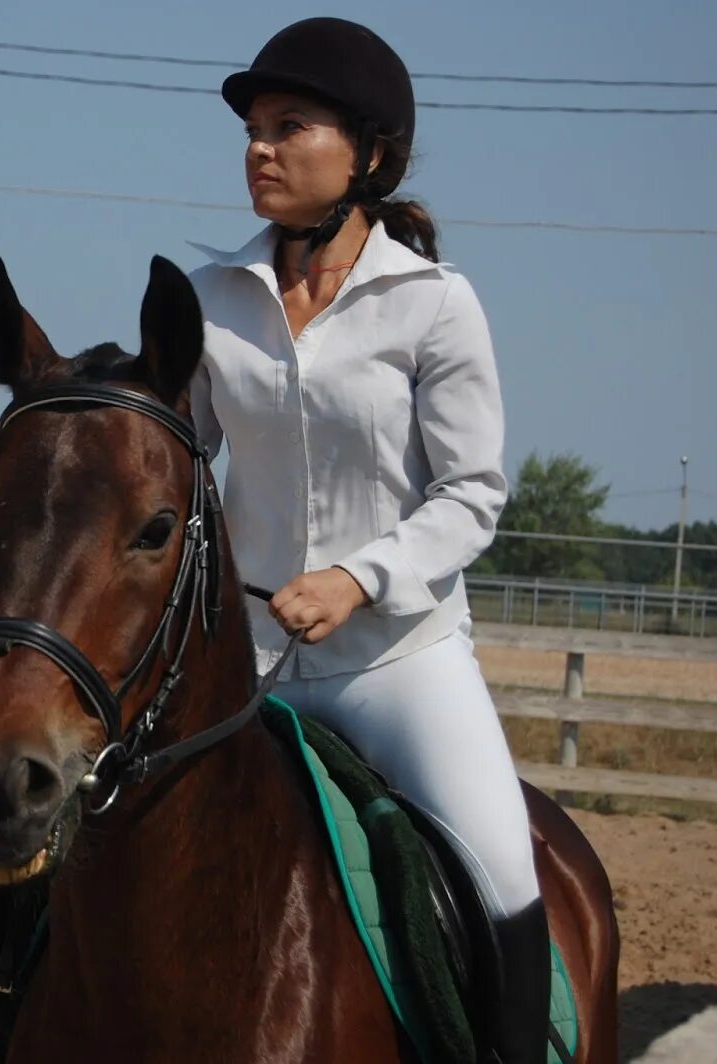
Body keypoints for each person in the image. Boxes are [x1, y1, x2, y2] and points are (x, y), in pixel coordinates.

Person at [185, 17, 546, 1064]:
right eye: (253, 128)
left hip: (397, 662)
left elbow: (472, 493)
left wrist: (359, 575)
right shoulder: (210, 301)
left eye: (288, 125)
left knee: (503, 873)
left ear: (370, 154)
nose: (259, 147)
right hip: (245, 663)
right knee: (98, 829)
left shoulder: (435, 305)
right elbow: (177, 455)